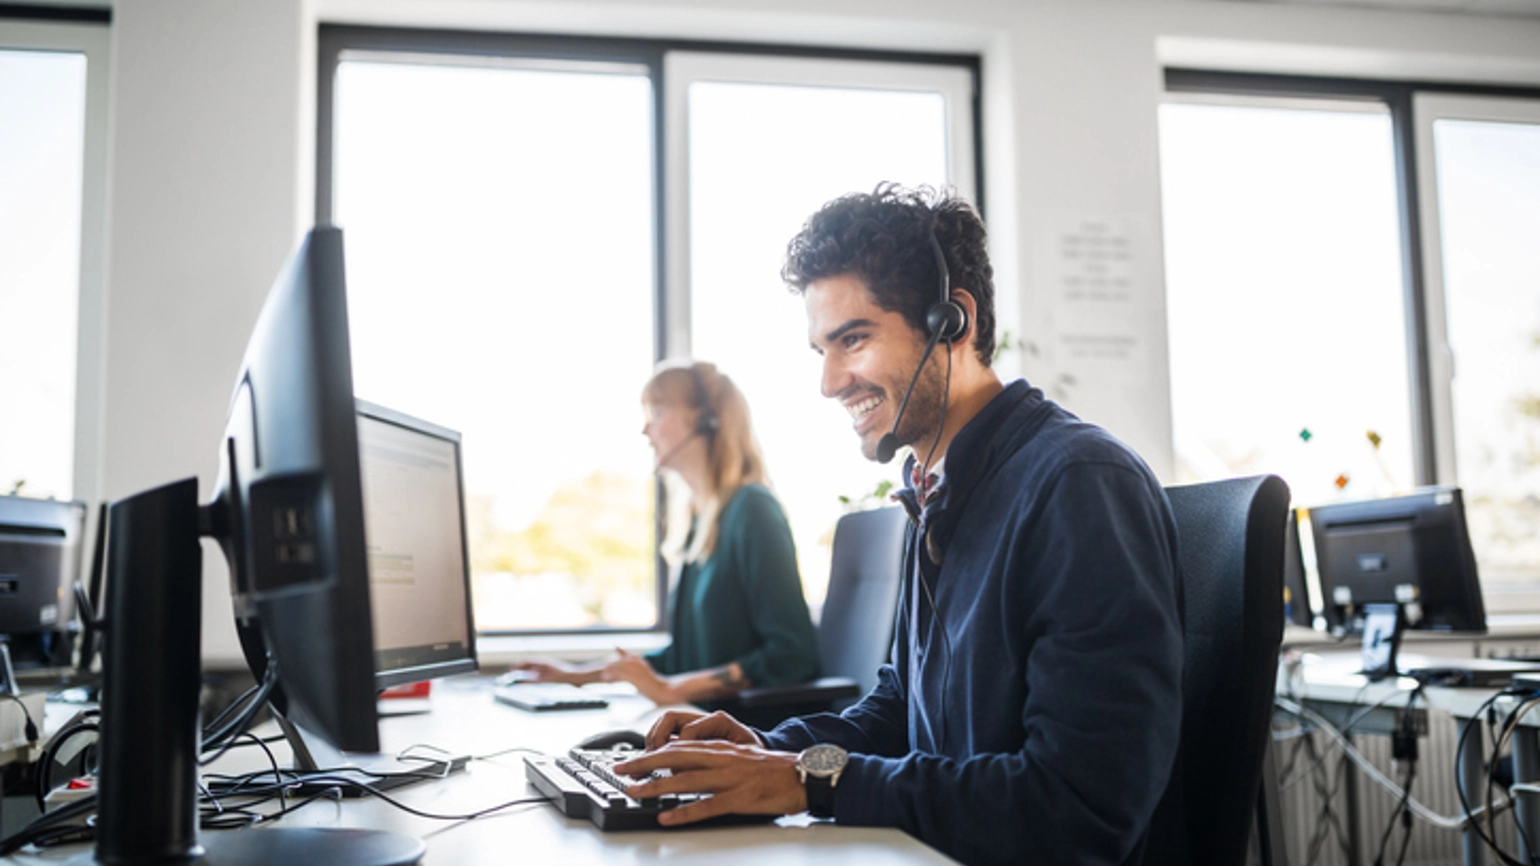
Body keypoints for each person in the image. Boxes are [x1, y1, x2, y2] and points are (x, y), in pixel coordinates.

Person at [611, 185, 1185, 866]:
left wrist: (806, 783)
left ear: (953, 322)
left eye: (852, 339)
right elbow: (898, 711)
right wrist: (771, 749)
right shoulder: (938, 490)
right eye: (821, 349)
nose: (828, 382)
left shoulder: (1078, 485)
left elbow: (1077, 808)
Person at [518, 361, 820, 719]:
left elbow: (791, 654)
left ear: (705, 420)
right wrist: (576, 676)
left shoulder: (752, 510)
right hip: (699, 723)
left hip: (745, 734)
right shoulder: (701, 522)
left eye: (658, 412)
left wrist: (673, 690)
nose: (646, 429)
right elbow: (683, 657)